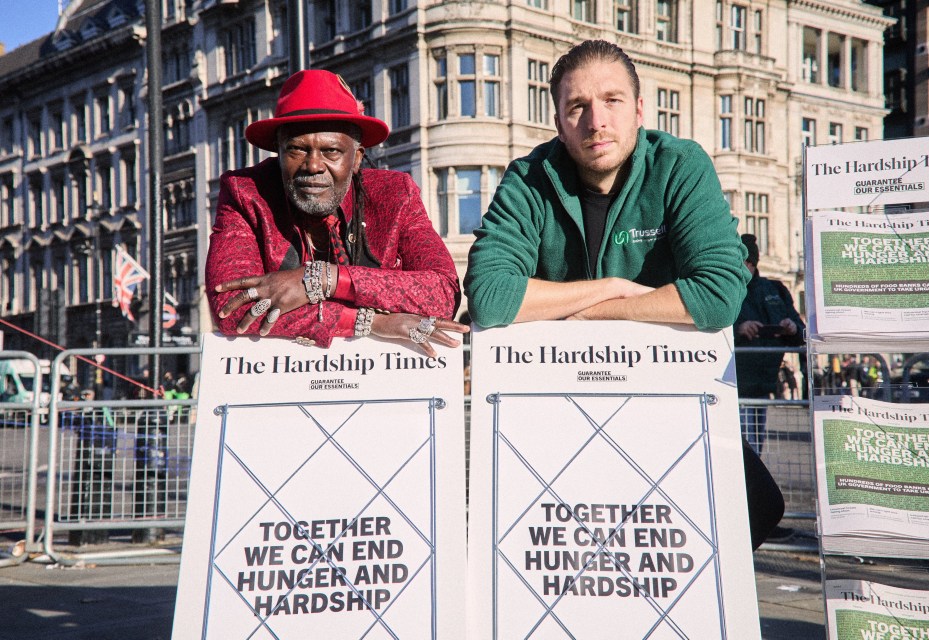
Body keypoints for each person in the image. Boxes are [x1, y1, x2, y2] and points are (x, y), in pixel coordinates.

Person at [464, 39, 783, 550]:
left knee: (759, 506)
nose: (596, 121)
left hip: (670, 397)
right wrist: (611, 287)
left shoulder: (679, 165)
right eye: (578, 107)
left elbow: (719, 291)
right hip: (557, 401)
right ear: (559, 120)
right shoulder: (529, 177)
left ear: (639, 110)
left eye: (611, 101)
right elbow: (490, 296)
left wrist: (593, 314)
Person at [206, 70, 468, 355]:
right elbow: (230, 308)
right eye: (296, 150)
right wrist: (369, 321)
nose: (313, 165)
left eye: (331, 151)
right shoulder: (245, 193)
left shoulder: (396, 193)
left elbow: (442, 294)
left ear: (356, 158)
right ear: (278, 154)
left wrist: (324, 280)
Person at [734, 233, 805, 455]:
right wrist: (739, 329)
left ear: (754, 264)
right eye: (741, 263)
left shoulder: (775, 289)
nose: (745, 267)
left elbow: (801, 332)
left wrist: (791, 328)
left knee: (755, 446)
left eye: (748, 263)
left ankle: (750, 486)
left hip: (764, 384)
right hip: (736, 384)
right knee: (744, 446)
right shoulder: (728, 291)